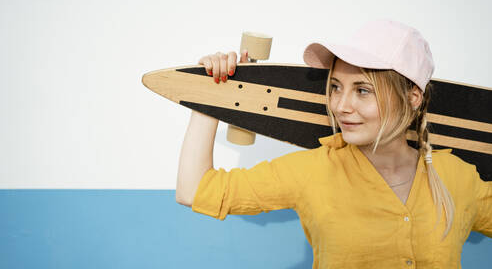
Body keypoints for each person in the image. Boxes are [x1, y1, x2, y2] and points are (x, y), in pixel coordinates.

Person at [175, 19, 491, 268]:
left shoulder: (458, 177)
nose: (340, 106)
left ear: (413, 97)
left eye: (363, 90)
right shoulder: (315, 170)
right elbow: (194, 190)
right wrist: (211, 96)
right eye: (336, 87)